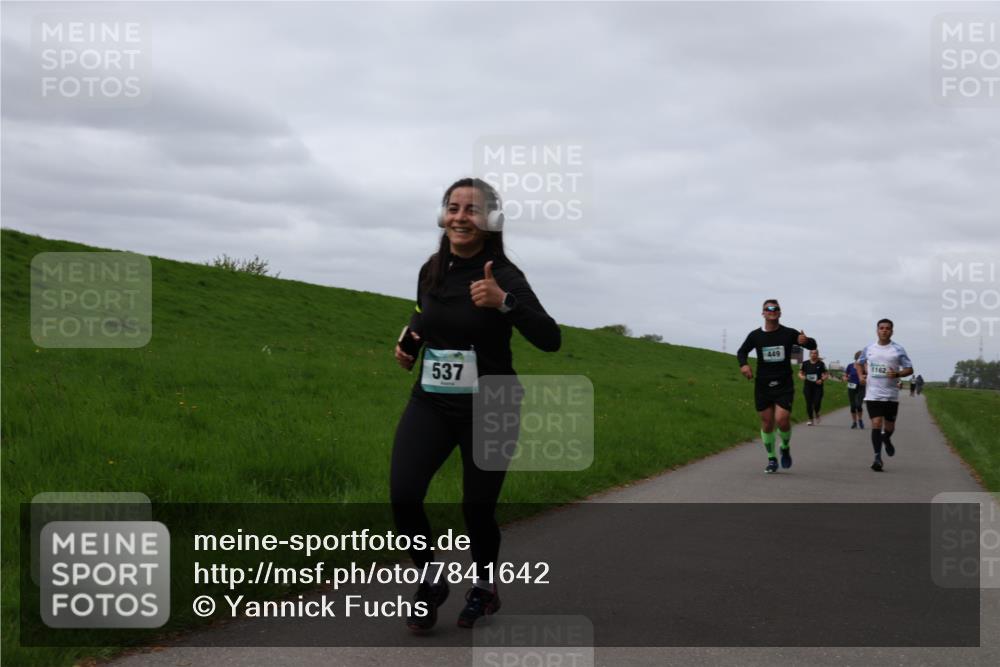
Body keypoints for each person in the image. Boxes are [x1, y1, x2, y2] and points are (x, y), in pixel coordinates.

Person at [391, 177, 561, 632]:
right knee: (404, 493)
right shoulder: (432, 267)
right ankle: (430, 581)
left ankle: (485, 588)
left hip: (493, 404)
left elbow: (550, 339)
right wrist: (410, 339)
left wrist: (504, 304)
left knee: (477, 509)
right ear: (443, 215)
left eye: (471, 210)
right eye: (453, 207)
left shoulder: (505, 276)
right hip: (432, 401)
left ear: (491, 221)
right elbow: (425, 314)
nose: (460, 217)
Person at [737, 300, 817, 473]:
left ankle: (785, 446)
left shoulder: (788, 333)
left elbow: (812, 345)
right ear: (763, 313)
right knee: (767, 423)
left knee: (781, 419)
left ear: (780, 313)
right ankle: (772, 458)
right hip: (763, 385)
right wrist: (744, 365)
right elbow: (741, 352)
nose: (772, 311)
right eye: (768, 309)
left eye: (776, 309)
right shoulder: (755, 336)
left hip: (784, 384)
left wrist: (807, 340)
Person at [856, 319, 913, 472]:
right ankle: (877, 457)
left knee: (889, 427)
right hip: (873, 394)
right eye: (881, 328)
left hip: (891, 395)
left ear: (892, 331)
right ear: (877, 330)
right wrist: (861, 375)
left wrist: (897, 373)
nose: (884, 331)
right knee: (876, 423)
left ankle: (886, 438)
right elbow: (859, 363)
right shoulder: (869, 348)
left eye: (887, 328)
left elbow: (909, 369)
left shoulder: (898, 349)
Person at [798, 349, 829, 425]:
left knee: (817, 402)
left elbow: (826, 375)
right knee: (809, 403)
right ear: (809, 354)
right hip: (808, 386)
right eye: (812, 353)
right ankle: (810, 419)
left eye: (815, 353)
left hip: (818, 387)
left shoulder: (821, 364)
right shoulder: (805, 363)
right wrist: (801, 376)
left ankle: (817, 413)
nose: (813, 355)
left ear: (817, 355)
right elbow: (800, 373)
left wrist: (821, 380)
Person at [845, 350, 866, 429]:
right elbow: (845, 375)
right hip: (851, 386)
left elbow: (868, 376)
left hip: (861, 387)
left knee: (858, 405)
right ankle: (854, 422)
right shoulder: (850, 366)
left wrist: (864, 377)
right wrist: (846, 378)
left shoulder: (865, 366)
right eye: (859, 357)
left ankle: (860, 419)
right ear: (856, 357)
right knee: (853, 406)